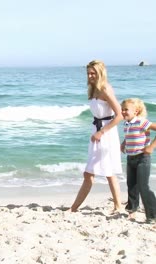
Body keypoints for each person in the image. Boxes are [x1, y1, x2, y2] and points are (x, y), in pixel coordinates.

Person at [70, 60, 123, 213]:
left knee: (103, 172)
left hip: (106, 134)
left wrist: (102, 131)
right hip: (97, 132)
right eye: (88, 73)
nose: (90, 76)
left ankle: (117, 206)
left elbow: (119, 115)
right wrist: (97, 132)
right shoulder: (93, 89)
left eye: (93, 73)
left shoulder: (105, 89)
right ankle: (117, 206)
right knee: (96, 173)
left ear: (100, 73)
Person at [120, 98, 156, 223]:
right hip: (130, 158)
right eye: (122, 109)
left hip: (142, 158)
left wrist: (151, 147)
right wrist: (124, 143)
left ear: (136, 111)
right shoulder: (126, 123)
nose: (123, 112)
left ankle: (152, 215)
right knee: (131, 185)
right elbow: (131, 135)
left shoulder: (141, 122)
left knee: (143, 186)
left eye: (126, 110)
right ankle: (132, 210)